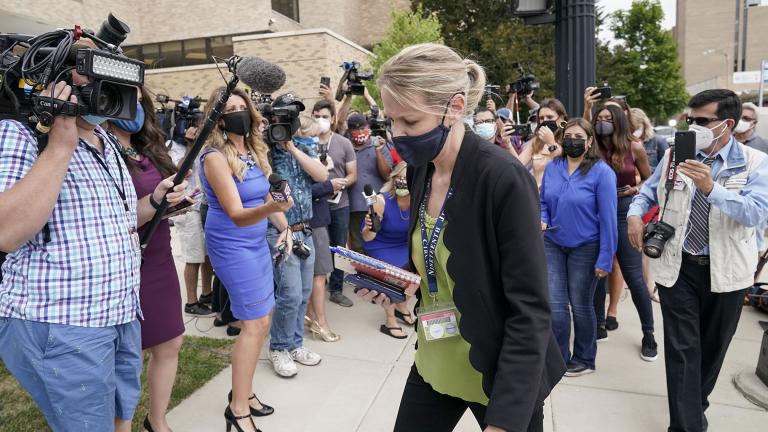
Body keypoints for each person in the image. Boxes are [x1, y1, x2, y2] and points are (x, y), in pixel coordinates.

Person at [359, 43, 565, 432]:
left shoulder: (502, 178)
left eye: (410, 121)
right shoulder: (421, 169)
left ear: (454, 107)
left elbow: (531, 309)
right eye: (391, 121)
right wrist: (398, 281)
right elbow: (438, 259)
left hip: (499, 373)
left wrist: (505, 421)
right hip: (436, 359)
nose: (397, 135)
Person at [0, 78, 189, 431]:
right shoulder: (20, 133)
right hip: (64, 323)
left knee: (119, 419)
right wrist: (60, 145)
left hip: (120, 315)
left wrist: (156, 200)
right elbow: (6, 232)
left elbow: (121, 220)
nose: (115, 97)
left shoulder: (106, 140)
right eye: (100, 84)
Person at [628, 89, 768, 432]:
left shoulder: (755, 162)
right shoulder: (676, 153)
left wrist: (710, 187)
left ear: (727, 124)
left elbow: (755, 214)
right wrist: (634, 214)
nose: (693, 126)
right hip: (679, 267)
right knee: (682, 351)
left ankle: (693, 407)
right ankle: (686, 425)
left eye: (703, 121)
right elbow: (648, 190)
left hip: (728, 274)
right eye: (690, 119)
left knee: (712, 351)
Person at [199, 87, 291, 432]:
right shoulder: (214, 157)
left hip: (255, 243)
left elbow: (266, 197)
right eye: (229, 109)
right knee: (253, 324)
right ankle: (237, 410)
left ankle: (244, 392)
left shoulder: (253, 149)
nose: (238, 112)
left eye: (242, 106)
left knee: (263, 319)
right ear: (219, 118)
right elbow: (237, 214)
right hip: (232, 245)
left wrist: (285, 226)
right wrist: (274, 208)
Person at [105, 86, 190, 432]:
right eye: (130, 99)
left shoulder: (148, 148)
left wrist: (175, 201)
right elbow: (116, 219)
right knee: (130, 353)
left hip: (159, 256)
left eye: (141, 100)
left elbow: (157, 202)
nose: (136, 107)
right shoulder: (100, 152)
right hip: (125, 263)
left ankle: (157, 420)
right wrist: (155, 202)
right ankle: (119, 424)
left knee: (170, 341)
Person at [540, 118, 618, 377]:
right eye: (568, 136)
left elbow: (609, 220)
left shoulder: (602, 173)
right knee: (556, 305)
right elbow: (543, 201)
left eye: (578, 137)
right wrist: (542, 218)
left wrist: (605, 259)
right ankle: (559, 358)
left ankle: (585, 358)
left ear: (589, 141)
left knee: (581, 305)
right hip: (553, 243)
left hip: (586, 247)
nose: (572, 141)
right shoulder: (554, 167)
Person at [267, 103, 330, 379]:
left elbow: (322, 175)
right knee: (289, 293)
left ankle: (294, 345)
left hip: (305, 230)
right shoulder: (266, 151)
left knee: (303, 292)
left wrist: (293, 148)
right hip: (280, 231)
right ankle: (279, 347)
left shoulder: (304, 148)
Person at [591, 104, 658, 361]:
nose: (603, 122)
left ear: (618, 120)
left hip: (623, 210)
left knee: (633, 274)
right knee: (598, 270)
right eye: (599, 118)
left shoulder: (634, 147)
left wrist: (636, 188)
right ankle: (599, 323)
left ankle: (649, 333)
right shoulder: (591, 146)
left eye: (608, 118)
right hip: (596, 211)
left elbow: (649, 180)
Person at [361, 162, 417, 339]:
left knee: (419, 269)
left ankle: (401, 306)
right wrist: (371, 227)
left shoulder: (419, 200)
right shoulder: (380, 200)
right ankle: (390, 320)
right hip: (380, 244)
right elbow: (367, 237)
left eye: (406, 178)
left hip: (403, 244)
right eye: (398, 177)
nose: (402, 181)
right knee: (394, 275)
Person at [313, 99, 358, 308]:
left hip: (340, 204)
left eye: (324, 116)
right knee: (318, 247)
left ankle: (337, 289)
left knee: (339, 248)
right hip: (315, 204)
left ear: (332, 119)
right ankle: (317, 285)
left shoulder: (343, 143)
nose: (320, 120)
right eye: (316, 116)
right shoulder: (306, 142)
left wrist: (341, 183)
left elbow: (353, 174)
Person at [170, 124, 215, 316]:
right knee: (193, 257)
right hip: (189, 208)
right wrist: (191, 145)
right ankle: (191, 302)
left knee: (207, 255)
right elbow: (180, 169)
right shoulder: (177, 146)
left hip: (205, 206)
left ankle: (206, 293)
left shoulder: (208, 145)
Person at [307, 117, 341, 342]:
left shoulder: (305, 155)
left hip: (316, 219)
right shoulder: (297, 157)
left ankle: (310, 317)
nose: (315, 140)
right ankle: (321, 323)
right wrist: (329, 185)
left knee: (312, 276)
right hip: (313, 222)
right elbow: (302, 191)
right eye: (312, 135)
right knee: (319, 276)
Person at [631, 107, 669, 303]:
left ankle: (649, 284)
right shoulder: (628, 143)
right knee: (637, 242)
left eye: (636, 126)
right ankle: (644, 282)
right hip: (635, 197)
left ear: (644, 124)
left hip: (651, 197)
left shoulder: (658, 142)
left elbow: (666, 169)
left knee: (648, 241)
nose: (633, 130)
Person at [346, 113, 393, 254]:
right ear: (349, 131)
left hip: (377, 204)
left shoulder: (379, 144)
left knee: (378, 240)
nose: (360, 132)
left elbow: (387, 174)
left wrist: (378, 151)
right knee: (358, 245)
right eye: (356, 129)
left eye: (363, 128)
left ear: (368, 128)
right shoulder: (346, 146)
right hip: (354, 206)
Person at [515, 98, 569, 189]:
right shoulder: (536, 141)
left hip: (559, 193)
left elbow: (565, 166)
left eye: (550, 117)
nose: (545, 121)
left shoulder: (568, 138)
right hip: (538, 194)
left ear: (561, 118)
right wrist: (508, 144)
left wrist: (551, 143)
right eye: (541, 118)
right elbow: (518, 164)